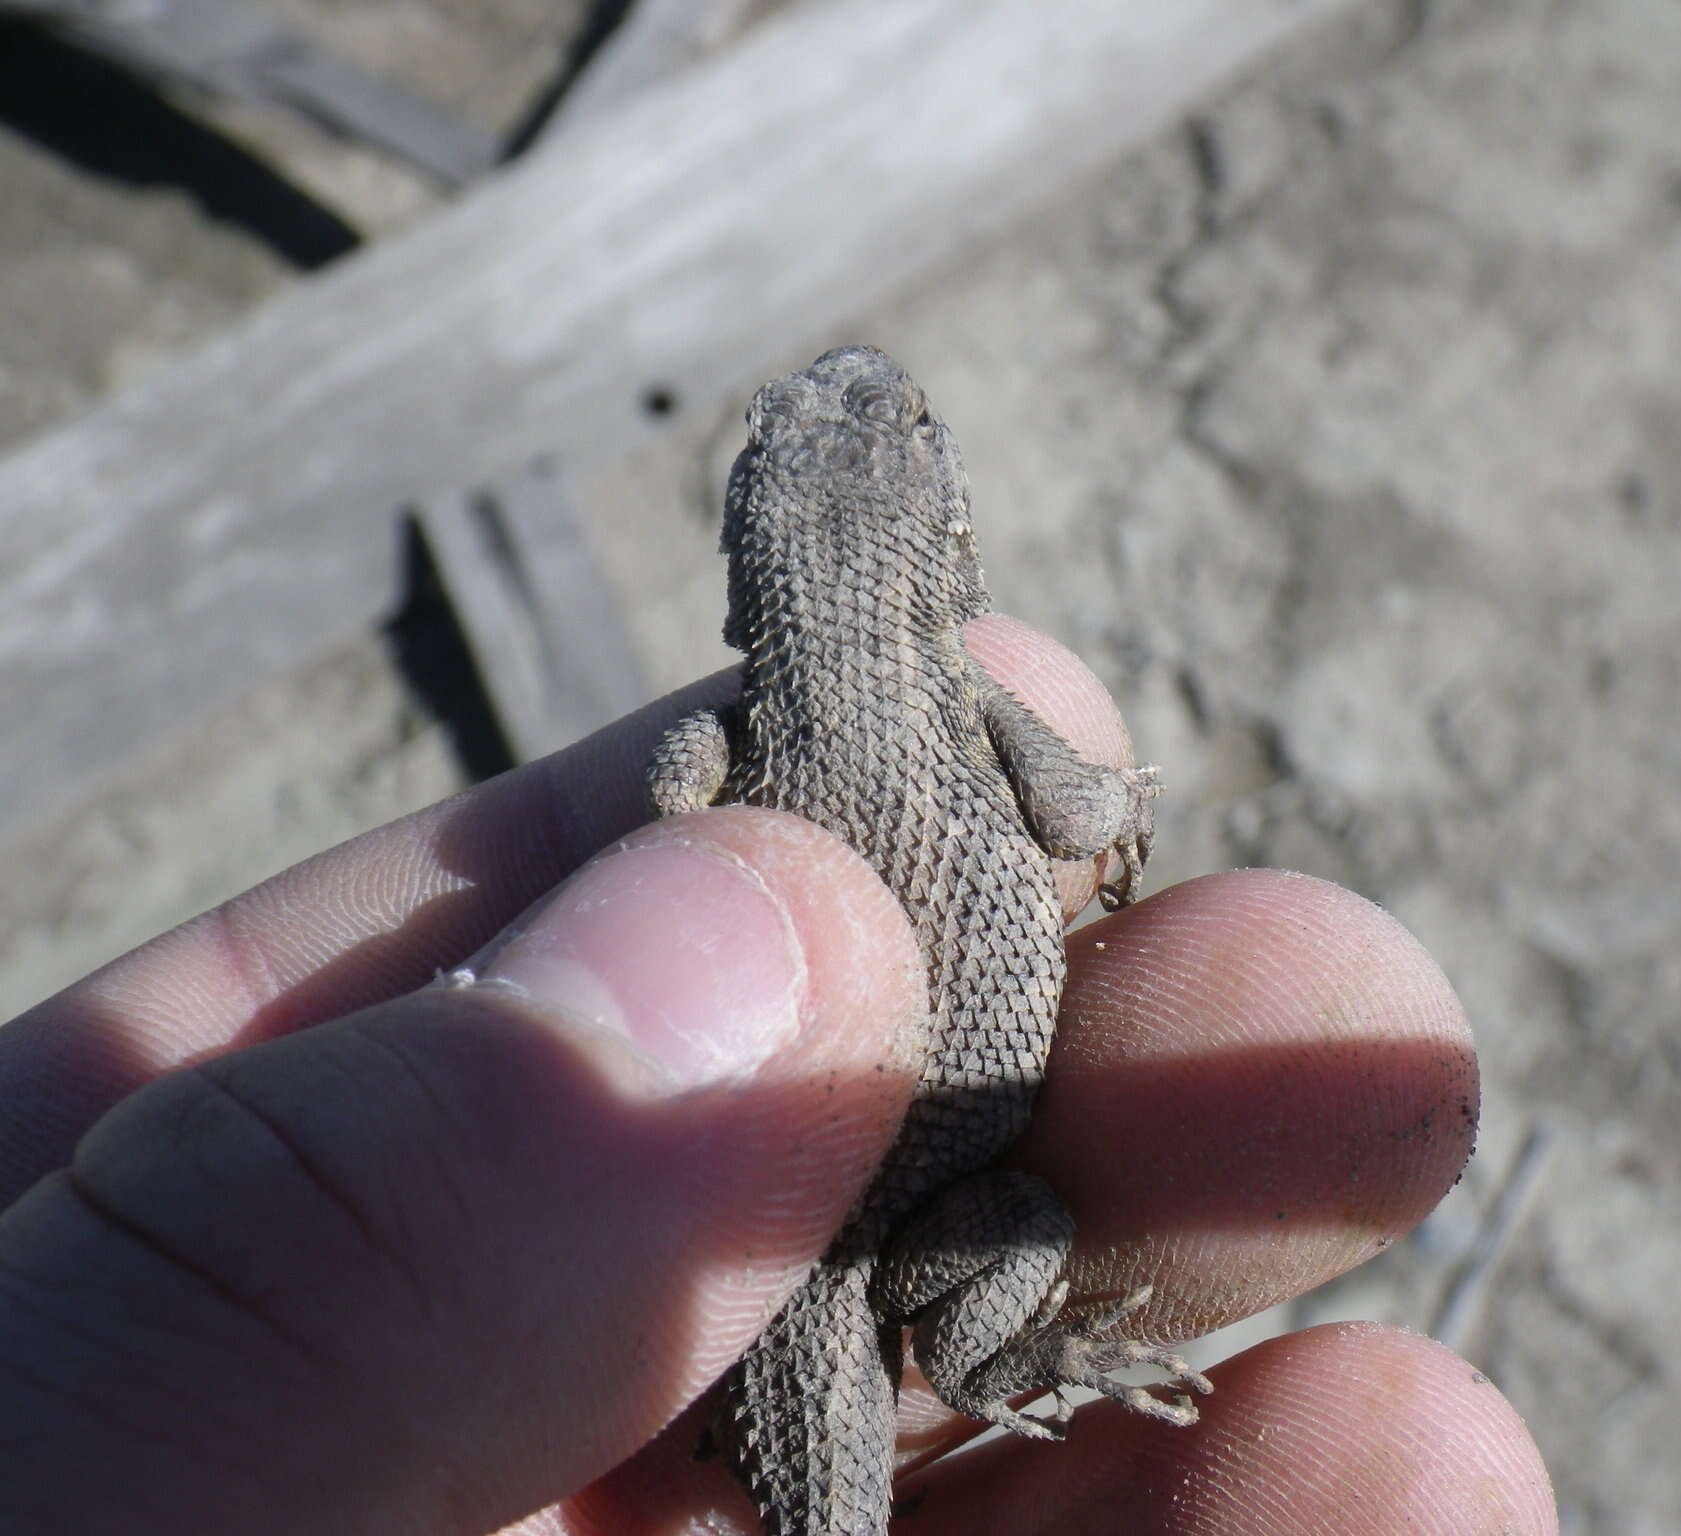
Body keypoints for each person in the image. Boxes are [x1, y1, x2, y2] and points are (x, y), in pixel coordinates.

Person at [0, 620, 1556, 1533]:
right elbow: (1081, 816)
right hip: (874, 1206)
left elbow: (679, 807)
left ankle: (1006, 1365)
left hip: (786, 1229)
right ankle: (1005, 1369)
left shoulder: (747, 723)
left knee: (1013, 1225)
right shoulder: (961, 687)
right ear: (941, 540)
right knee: (1022, 1225)